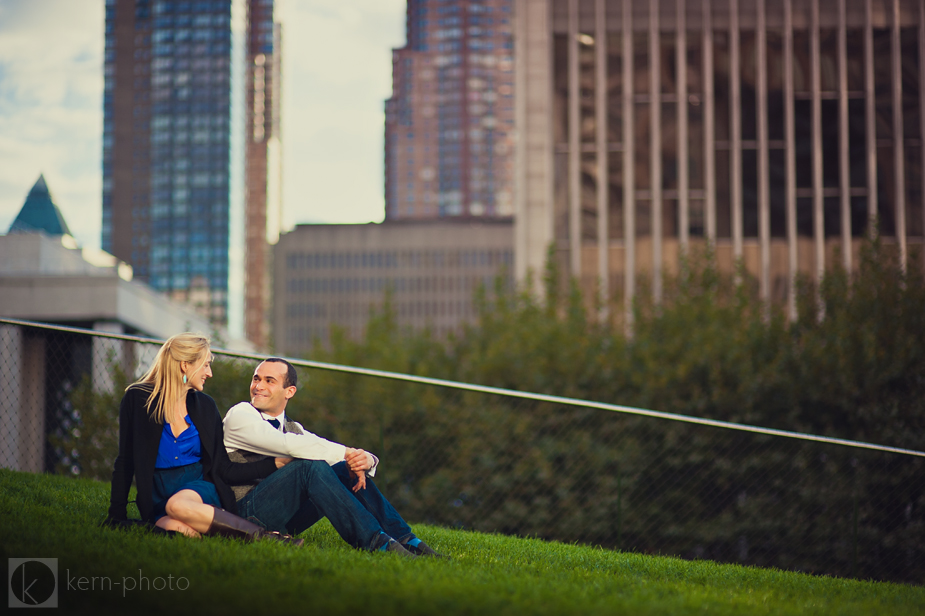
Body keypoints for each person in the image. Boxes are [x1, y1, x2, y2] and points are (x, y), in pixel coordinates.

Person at [222, 357, 445, 557]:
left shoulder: (293, 427)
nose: (258, 386)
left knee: (342, 470)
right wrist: (347, 453)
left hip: (285, 520)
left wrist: (365, 459)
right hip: (245, 515)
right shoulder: (240, 414)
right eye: (256, 379)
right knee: (310, 467)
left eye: (269, 381)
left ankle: (408, 540)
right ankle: (378, 543)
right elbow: (287, 445)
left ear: (289, 391)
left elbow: (318, 446)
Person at [107, 333, 301, 545]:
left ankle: (267, 539)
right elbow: (125, 460)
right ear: (185, 365)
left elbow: (223, 468)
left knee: (178, 506)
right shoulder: (138, 399)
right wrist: (116, 515)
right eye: (205, 365)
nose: (209, 373)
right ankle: (222, 530)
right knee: (181, 532)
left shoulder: (206, 406)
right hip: (158, 492)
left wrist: (274, 464)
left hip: (198, 487)